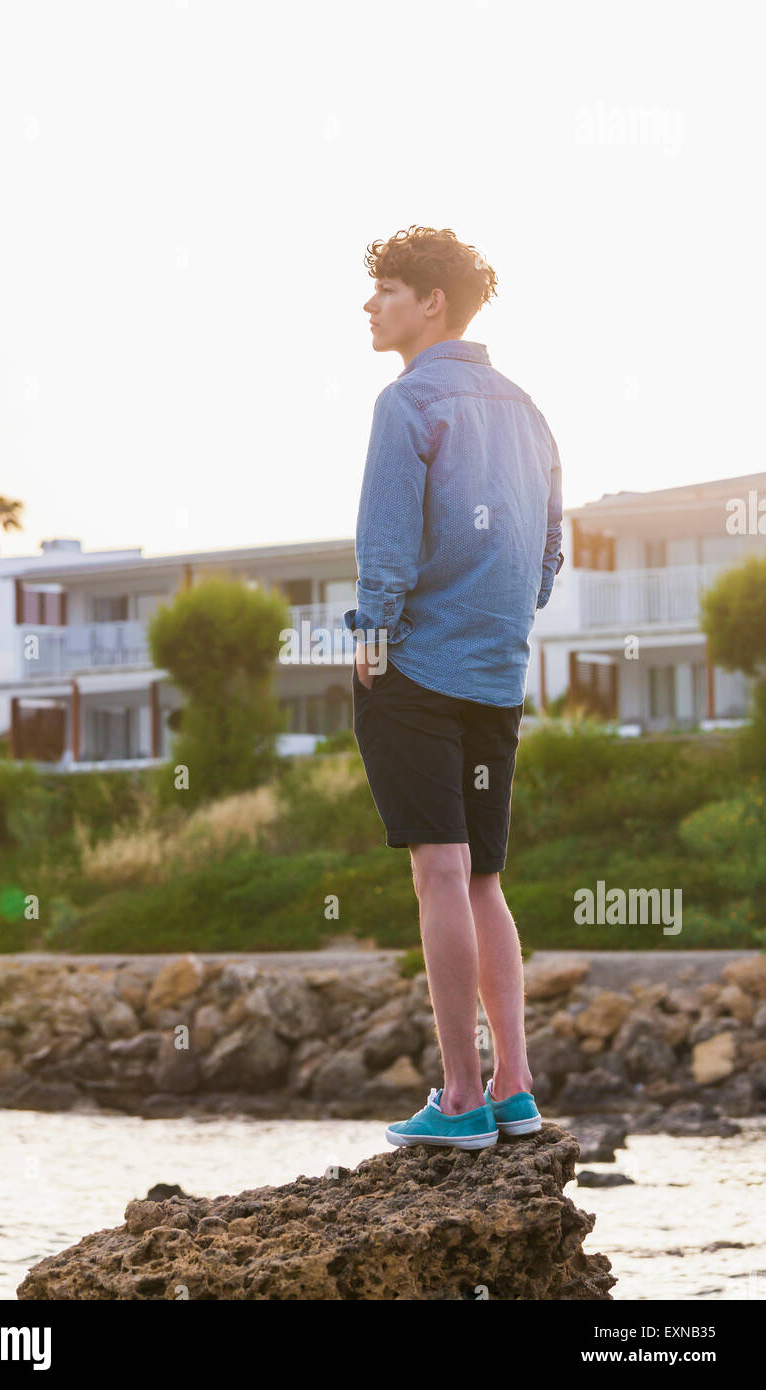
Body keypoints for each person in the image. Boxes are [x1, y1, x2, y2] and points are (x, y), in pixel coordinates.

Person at [342, 225, 563, 1150]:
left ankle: (462, 1100)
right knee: (483, 879)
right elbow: (547, 554)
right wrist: (502, 624)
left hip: (417, 667)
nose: (370, 304)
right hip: (496, 672)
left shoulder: (407, 402)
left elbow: (386, 542)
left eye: (387, 289)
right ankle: (514, 1089)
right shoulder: (526, 408)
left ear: (431, 302)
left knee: (439, 870)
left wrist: (374, 635)